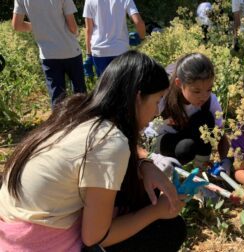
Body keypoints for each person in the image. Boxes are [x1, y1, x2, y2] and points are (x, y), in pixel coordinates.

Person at [0, 51, 187, 251]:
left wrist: (144, 164)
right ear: (138, 97)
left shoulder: (77, 111)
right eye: (157, 100)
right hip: (37, 242)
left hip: (12, 227)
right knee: (168, 230)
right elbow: (96, 237)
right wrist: (156, 211)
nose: (158, 111)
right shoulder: (110, 142)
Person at [144, 53, 230, 173]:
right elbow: (139, 126)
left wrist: (225, 160)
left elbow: (219, 133)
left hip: (185, 135)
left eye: (209, 89)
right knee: (185, 148)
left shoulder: (210, 101)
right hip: (160, 139)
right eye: (196, 91)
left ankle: (201, 169)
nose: (204, 96)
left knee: (206, 119)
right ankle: (174, 171)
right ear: (179, 84)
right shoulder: (163, 97)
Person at [12, 0, 86, 108]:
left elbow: (17, 25)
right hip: (70, 50)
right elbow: (73, 27)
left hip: (48, 54)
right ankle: (83, 121)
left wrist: (36, 27)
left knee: (57, 98)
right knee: (80, 94)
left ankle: (59, 124)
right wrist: (77, 33)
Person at [83, 0, 146, 77]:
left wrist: (88, 54)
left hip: (99, 51)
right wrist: (142, 38)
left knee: (104, 86)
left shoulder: (89, 1)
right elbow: (138, 22)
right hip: (120, 50)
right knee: (122, 85)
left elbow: (89, 30)